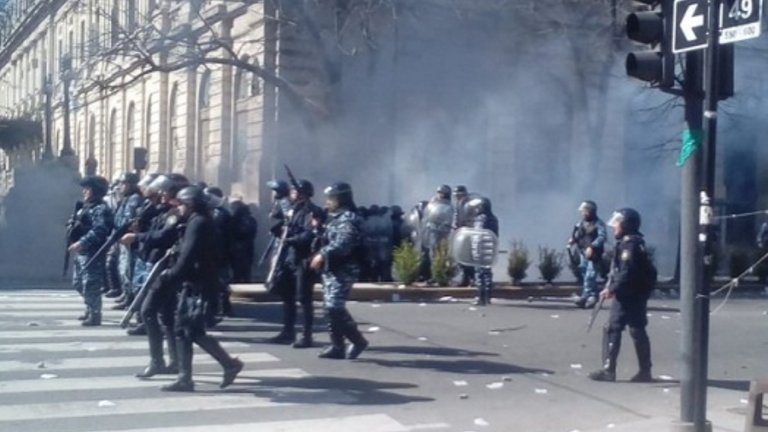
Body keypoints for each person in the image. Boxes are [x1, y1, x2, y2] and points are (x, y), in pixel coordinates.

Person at [159, 186, 244, 392]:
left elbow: (188, 257)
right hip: (197, 284)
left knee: (186, 330)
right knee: (188, 330)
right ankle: (221, 366)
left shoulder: (198, 223)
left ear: (190, 205)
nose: (177, 209)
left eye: (180, 205)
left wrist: (170, 276)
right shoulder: (199, 221)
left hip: (200, 286)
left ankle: (195, 375)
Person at [122, 174, 189, 376]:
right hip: (158, 265)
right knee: (165, 315)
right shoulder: (163, 210)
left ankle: (158, 361)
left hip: (166, 267)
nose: (160, 194)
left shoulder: (176, 213)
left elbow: (163, 236)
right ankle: (174, 361)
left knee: (148, 312)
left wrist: (137, 236)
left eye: (164, 191)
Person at [589, 208, 653, 383]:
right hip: (637, 293)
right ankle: (645, 371)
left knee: (612, 328)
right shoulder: (636, 242)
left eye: (617, 223)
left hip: (627, 294)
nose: (614, 227)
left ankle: (608, 370)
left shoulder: (628, 245)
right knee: (637, 329)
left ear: (626, 225)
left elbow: (626, 271)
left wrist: (612, 288)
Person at [310, 182, 368, 360]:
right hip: (332, 268)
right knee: (329, 309)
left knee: (335, 307)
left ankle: (358, 341)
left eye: (331, 198)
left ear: (341, 199)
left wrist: (322, 254)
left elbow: (344, 243)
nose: (328, 202)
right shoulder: (334, 217)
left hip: (344, 268)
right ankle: (337, 346)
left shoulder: (348, 218)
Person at [269, 179, 322, 348]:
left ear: (304, 194)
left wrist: (290, 240)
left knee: (304, 298)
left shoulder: (311, 212)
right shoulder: (293, 210)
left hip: (303, 259)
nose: (292, 194)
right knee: (287, 296)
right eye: (292, 191)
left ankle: (307, 335)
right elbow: (282, 225)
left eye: (296, 192)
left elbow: (310, 234)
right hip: (289, 258)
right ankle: (288, 331)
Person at [68, 175, 114, 326]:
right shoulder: (85, 207)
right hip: (82, 252)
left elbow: (100, 229)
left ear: (96, 191)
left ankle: (95, 314)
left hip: (91, 251)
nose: (84, 192)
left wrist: (82, 242)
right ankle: (89, 308)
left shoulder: (100, 209)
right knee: (78, 283)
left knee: (90, 283)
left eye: (87, 189)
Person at [112, 173, 145, 311]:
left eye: (123, 184)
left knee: (128, 268)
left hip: (129, 239)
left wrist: (120, 230)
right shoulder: (126, 199)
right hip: (123, 238)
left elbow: (127, 220)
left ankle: (130, 297)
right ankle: (126, 294)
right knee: (123, 267)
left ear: (131, 185)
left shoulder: (134, 199)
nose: (120, 187)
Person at [569, 200, 607, 309]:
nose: (582, 213)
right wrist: (574, 240)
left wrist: (592, 246)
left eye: (585, 211)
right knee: (584, 273)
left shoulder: (598, 223)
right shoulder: (581, 223)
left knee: (591, 274)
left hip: (594, 254)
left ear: (591, 211)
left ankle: (589, 296)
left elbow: (602, 237)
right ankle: (589, 295)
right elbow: (580, 236)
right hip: (583, 252)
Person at [466, 196, 499, 306]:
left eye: (477, 207)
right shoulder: (493, 218)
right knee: (487, 273)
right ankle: (488, 297)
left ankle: (481, 297)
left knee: (480, 273)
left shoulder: (481, 219)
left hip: (481, 249)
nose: (476, 209)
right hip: (489, 248)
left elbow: (478, 235)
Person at [229, 200, 257, 283]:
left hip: (239, 247)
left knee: (238, 272)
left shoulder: (236, 219)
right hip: (247, 247)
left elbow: (240, 232)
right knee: (246, 271)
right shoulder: (251, 219)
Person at [452, 186, 474, 286]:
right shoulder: (459, 204)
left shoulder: (471, 204)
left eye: (459, 195)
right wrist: (455, 225)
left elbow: (472, 218)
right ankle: (465, 279)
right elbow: (457, 216)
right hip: (461, 232)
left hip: (469, 232)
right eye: (456, 195)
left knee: (469, 257)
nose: (457, 197)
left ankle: (473, 278)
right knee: (461, 257)